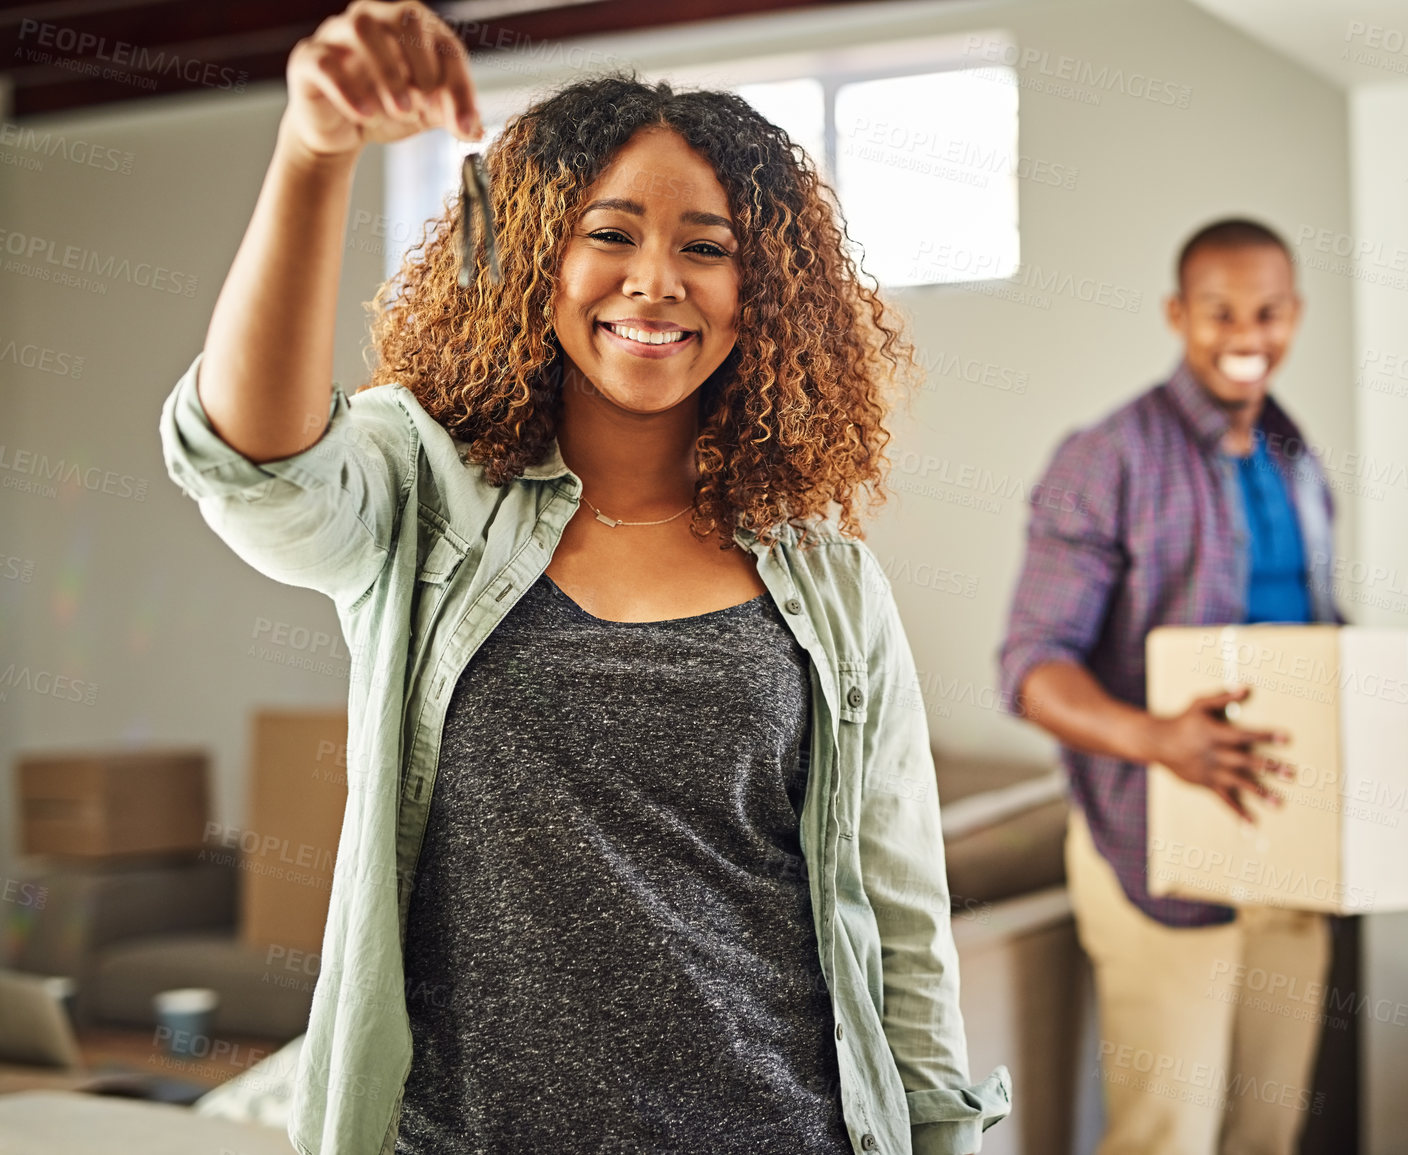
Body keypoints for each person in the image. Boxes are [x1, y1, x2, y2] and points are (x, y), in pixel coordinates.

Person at [157, 4, 1009, 1153]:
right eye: (611, 234)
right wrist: (315, 151)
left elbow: (899, 919)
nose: (656, 281)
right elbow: (255, 467)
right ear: (536, 258)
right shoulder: (424, 494)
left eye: (706, 247)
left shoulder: (830, 582)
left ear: (763, 295)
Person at [998, 218, 1343, 1155]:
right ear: (1175, 314)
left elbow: (1317, 637)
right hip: (1154, 844)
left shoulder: (1296, 462)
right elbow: (1030, 668)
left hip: (1290, 846)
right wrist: (1163, 740)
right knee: (1168, 1138)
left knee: (1264, 1133)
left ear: (1294, 315)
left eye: (1268, 311)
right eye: (1219, 310)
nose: (1247, 332)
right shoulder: (1106, 457)